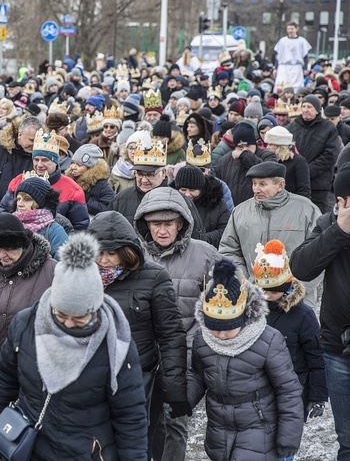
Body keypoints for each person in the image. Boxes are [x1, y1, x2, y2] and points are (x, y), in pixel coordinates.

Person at [0, 233, 148, 460]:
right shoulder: (25, 324)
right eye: (60, 315)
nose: (69, 324)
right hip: (31, 446)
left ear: (95, 308)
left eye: (79, 319)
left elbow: (130, 416)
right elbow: (4, 382)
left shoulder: (116, 342)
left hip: (85, 452)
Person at [87, 211, 188, 457]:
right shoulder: (78, 278)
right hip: (89, 379)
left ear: (127, 251)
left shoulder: (153, 277)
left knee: (133, 447)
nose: (105, 260)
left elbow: (171, 335)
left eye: (112, 253)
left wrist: (174, 389)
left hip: (138, 379)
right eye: (99, 252)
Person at [182, 259, 305, 460]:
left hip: (259, 427)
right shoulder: (202, 339)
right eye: (215, 328)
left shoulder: (268, 340)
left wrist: (289, 436)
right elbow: (197, 375)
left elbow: (288, 389)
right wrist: (184, 399)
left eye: (228, 328)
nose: (220, 335)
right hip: (219, 428)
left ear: (243, 318)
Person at [133, 187, 222, 460]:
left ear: (180, 223)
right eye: (155, 223)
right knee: (144, 422)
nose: (162, 230)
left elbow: (229, 300)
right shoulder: (134, 256)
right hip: (144, 356)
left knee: (175, 420)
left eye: (168, 223)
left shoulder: (205, 255)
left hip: (184, 354)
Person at [0, 214, 56, 420]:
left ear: (23, 245)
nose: (1, 255)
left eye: (9, 248)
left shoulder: (52, 271)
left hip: (32, 374)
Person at [290, 163, 350, 459]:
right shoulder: (329, 224)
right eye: (342, 202)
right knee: (348, 441)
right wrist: (339, 231)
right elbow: (301, 266)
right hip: (338, 347)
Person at [219, 161, 321, 304]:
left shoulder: (306, 210)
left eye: (262, 184)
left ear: (280, 185)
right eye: (254, 183)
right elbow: (228, 251)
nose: (256, 189)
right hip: (253, 299)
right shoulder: (240, 212)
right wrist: (247, 283)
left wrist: (296, 290)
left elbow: (318, 255)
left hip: (296, 302)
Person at [253, 239, 327, 421]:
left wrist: (317, 396)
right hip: (257, 392)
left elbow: (316, 357)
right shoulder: (252, 311)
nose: (267, 295)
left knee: (286, 442)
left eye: (273, 290)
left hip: (293, 392)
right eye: (263, 290)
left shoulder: (303, 316)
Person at [0, 128, 90, 230]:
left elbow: (80, 226)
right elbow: (4, 211)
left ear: (56, 161)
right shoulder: (17, 181)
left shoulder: (73, 189)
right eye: (36, 160)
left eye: (45, 160)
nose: (39, 165)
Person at [286, 94, 340, 212]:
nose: (305, 110)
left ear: (317, 110)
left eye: (309, 107)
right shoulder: (291, 127)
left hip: (318, 185)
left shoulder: (328, 128)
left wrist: (306, 171)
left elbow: (330, 156)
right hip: (294, 184)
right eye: (303, 106)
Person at [0, 115, 38, 217]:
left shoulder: (40, 158)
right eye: (31, 140)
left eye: (37, 140)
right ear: (20, 135)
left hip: (27, 217)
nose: (34, 144)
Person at [215, 121, 278, 206]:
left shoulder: (267, 155)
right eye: (240, 147)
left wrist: (245, 156)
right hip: (233, 210)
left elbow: (266, 172)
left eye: (248, 146)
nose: (244, 149)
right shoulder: (224, 161)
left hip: (260, 208)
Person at [10, 173, 68, 259]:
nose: (19, 204)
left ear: (39, 202)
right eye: (18, 199)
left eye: (26, 199)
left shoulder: (54, 231)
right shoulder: (9, 224)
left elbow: (65, 266)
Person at [173, 165, 230, 248]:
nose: (187, 194)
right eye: (183, 190)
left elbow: (226, 230)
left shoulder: (216, 203)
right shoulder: (171, 202)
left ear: (201, 190)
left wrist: (202, 238)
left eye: (192, 190)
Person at [66, 144, 115, 217]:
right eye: (73, 163)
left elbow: (110, 209)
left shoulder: (101, 185)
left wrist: (85, 199)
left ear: (90, 167)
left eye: (79, 165)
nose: (73, 167)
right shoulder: (68, 181)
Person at [263, 125, 311, 199]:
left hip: (291, 204)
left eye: (270, 144)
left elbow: (304, 190)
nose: (267, 147)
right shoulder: (268, 160)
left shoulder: (299, 161)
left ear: (279, 145)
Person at [274, 21, 311, 90]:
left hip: (296, 68)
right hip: (283, 67)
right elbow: (278, 55)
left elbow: (305, 56)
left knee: (296, 87)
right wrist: (276, 68)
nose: (290, 31)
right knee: (281, 86)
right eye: (288, 29)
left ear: (296, 29)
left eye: (292, 29)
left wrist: (305, 68)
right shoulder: (282, 41)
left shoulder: (302, 41)